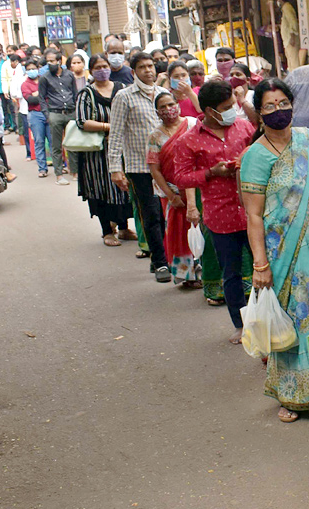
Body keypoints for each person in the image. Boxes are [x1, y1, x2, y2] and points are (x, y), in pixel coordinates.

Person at [240, 78, 309, 420]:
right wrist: (260, 265)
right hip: (281, 252)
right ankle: (292, 394)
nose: (279, 111)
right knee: (293, 320)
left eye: (283, 104)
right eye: (270, 106)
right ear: (259, 112)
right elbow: (254, 215)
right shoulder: (256, 155)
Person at [171, 79, 255, 342]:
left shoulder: (243, 127)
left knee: (264, 268)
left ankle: (267, 320)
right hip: (220, 217)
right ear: (209, 111)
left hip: (253, 212)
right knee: (230, 274)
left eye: (233, 104)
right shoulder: (189, 141)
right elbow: (182, 178)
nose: (233, 110)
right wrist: (211, 173)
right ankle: (240, 325)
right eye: (227, 106)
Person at [107, 51, 171, 283]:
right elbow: (115, 134)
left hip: (166, 165)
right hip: (139, 167)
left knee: (169, 214)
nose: (148, 70)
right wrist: (115, 168)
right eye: (142, 67)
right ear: (134, 72)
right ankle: (161, 262)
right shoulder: (124, 97)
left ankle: (163, 257)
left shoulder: (164, 94)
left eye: (151, 66)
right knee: (151, 214)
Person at [74, 54, 135, 247]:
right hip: (97, 152)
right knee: (101, 189)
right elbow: (82, 121)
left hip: (122, 148)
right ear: (91, 71)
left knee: (123, 188)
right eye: (98, 67)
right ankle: (107, 231)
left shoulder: (122, 89)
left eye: (105, 66)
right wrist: (110, 127)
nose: (102, 70)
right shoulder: (87, 94)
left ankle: (124, 228)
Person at [148, 91, 200, 286]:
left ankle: (205, 272)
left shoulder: (193, 124)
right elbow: (155, 168)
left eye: (171, 104)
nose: (168, 110)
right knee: (178, 234)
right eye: (163, 107)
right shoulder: (155, 136)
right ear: (157, 111)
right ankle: (186, 276)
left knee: (200, 229)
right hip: (172, 192)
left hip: (196, 187)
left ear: (178, 104)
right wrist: (171, 195)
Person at [37, 48, 76, 185]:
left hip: (70, 112)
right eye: (48, 61)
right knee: (56, 146)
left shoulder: (69, 75)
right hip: (55, 113)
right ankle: (59, 175)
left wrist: (76, 111)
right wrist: (47, 115)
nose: (50, 64)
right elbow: (41, 98)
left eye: (52, 61)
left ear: (59, 61)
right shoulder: (45, 78)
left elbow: (74, 93)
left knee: (72, 144)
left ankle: (74, 171)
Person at [19, 59, 47, 170]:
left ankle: (58, 167)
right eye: (29, 69)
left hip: (48, 113)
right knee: (39, 141)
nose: (31, 71)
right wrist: (41, 94)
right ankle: (42, 168)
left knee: (53, 142)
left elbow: (50, 95)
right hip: (35, 114)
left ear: (38, 68)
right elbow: (31, 100)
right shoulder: (25, 84)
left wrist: (37, 94)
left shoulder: (45, 80)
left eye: (33, 68)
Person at [278, 0, 301, 71]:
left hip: (290, 38)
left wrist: (292, 36)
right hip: (287, 39)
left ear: (281, 0)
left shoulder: (287, 7)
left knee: (294, 60)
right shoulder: (285, 8)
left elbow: (293, 22)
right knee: (290, 59)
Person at [0, 52, 20, 135]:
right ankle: (14, 127)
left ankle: (18, 128)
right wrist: (5, 91)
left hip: (20, 91)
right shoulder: (6, 64)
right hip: (11, 91)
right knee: (12, 109)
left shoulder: (21, 67)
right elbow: (4, 78)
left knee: (18, 111)